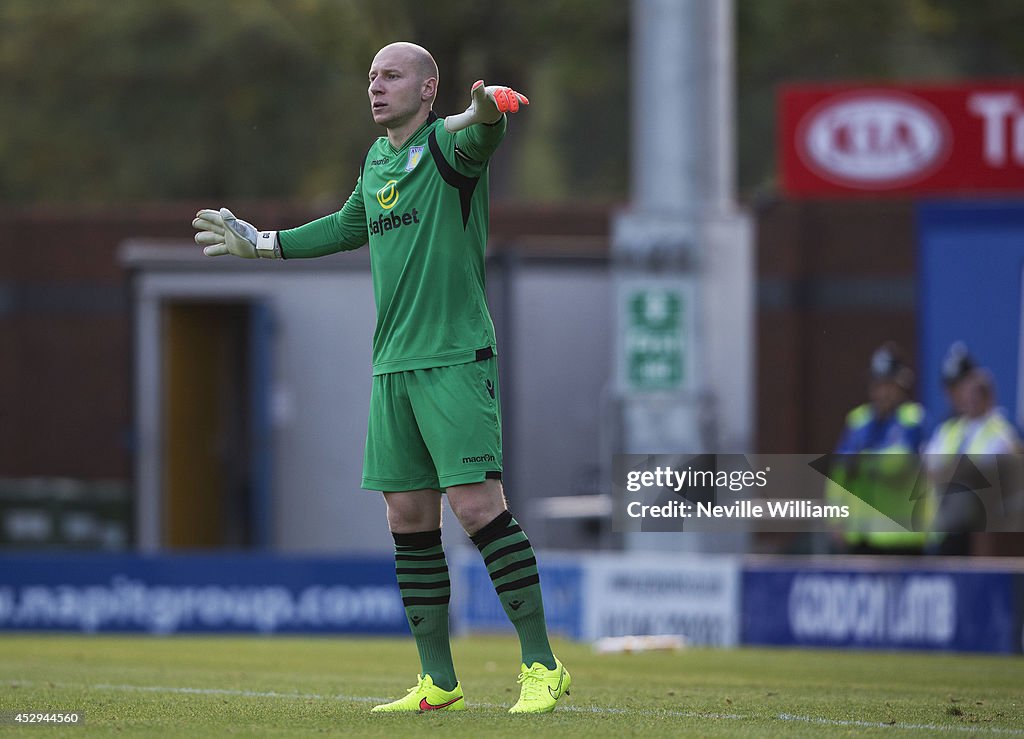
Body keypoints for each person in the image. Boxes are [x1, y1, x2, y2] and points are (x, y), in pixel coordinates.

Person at [192, 42, 570, 714]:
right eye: (370, 76)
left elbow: (485, 127)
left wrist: (486, 108)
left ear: (429, 90)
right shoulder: (378, 160)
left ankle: (543, 664)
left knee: (478, 507)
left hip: (454, 356)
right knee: (407, 516)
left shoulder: (450, 153)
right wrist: (265, 242)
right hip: (392, 362)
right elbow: (346, 226)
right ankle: (438, 679)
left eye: (391, 76)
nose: (376, 86)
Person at [825, 342, 927, 554]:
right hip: (861, 535)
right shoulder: (858, 420)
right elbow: (839, 474)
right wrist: (835, 518)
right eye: (877, 385)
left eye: (888, 385)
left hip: (901, 538)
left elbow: (899, 465)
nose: (882, 392)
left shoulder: (913, 419)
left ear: (901, 385)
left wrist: (862, 461)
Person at [923, 343, 1022, 555]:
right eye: (953, 388)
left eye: (969, 387)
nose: (964, 395)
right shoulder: (948, 429)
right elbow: (929, 470)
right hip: (945, 530)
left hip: (982, 535)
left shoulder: (1001, 430)